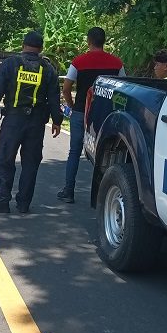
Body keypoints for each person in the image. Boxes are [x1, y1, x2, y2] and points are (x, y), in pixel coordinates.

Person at [0, 31, 63, 214]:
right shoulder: (48, 69)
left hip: (13, 121)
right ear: (40, 48)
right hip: (37, 123)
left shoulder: (11, 64)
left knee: (4, 159)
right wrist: (57, 121)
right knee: (31, 163)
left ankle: (1, 201)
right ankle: (24, 204)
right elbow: (54, 99)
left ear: (23, 45)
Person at [57, 27, 125, 204]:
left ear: (88, 41)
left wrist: (72, 106)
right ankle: (104, 197)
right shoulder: (116, 63)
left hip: (81, 112)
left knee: (74, 151)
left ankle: (68, 191)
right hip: (105, 116)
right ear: (104, 41)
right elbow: (123, 89)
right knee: (106, 153)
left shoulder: (78, 62)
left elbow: (66, 88)